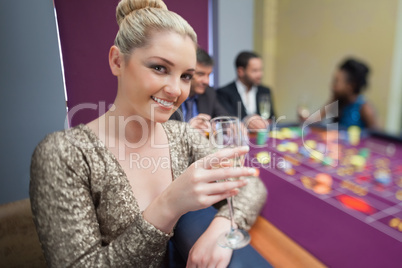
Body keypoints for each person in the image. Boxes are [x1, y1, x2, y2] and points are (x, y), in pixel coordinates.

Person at [29, 0, 269, 267]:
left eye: (186, 76)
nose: (176, 90)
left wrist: (222, 227)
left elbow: (250, 185)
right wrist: (168, 205)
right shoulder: (64, 154)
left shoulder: (181, 135)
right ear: (117, 61)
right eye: (159, 68)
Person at [299, 58, 377, 130]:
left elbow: (376, 136)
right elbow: (314, 121)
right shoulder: (336, 101)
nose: (332, 86)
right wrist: (305, 119)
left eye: (336, 82)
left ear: (350, 87)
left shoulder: (364, 108)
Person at [170, 47, 228, 133]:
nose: (207, 81)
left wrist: (229, 125)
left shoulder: (209, 93)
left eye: (208, 75)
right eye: (200, 74)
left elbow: (224, 118)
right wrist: (187, 130)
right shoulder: (169, 94)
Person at [217, 51, 276, 130]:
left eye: (261, 70)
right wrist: (245, 121)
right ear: (240, 71)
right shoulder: (224, 93)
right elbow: (226, 120)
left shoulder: (265, 91)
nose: (260, 74)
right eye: (255, 71)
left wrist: (266, 122)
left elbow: (273, 118)